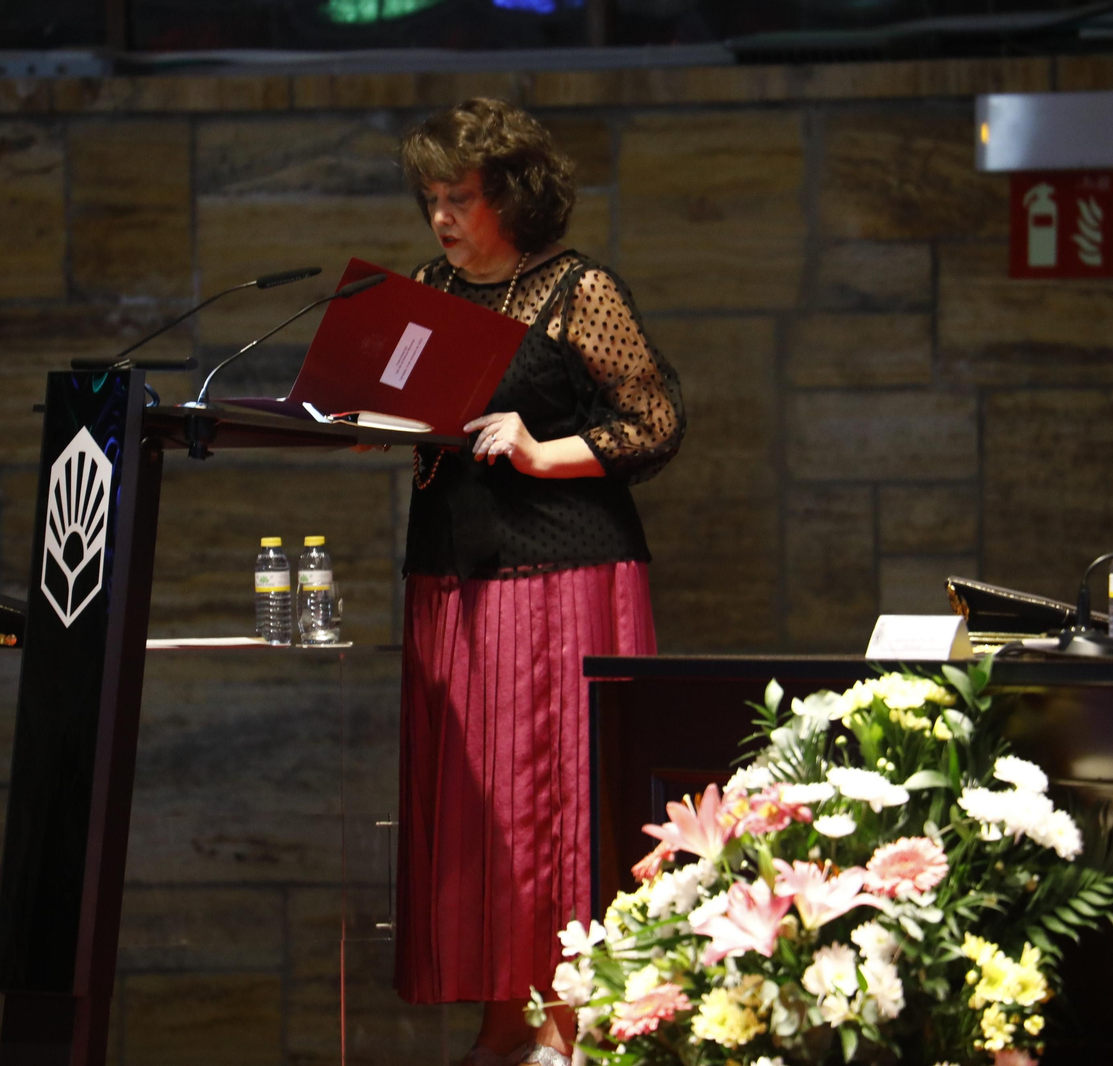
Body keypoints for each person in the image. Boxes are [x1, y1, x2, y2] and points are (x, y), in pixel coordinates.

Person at [394, 98, 685, 1066]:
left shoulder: (573, 289)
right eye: (431, 197)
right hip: (453, 569)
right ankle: (500, 1018)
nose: (440, 216)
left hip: (567, 569)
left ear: (511, 196)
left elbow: (653, 421)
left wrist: (542, 447)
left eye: (459, 198)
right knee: (476, 803)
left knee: (554, 795)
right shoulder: (425, 291)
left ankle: (570, 1021)